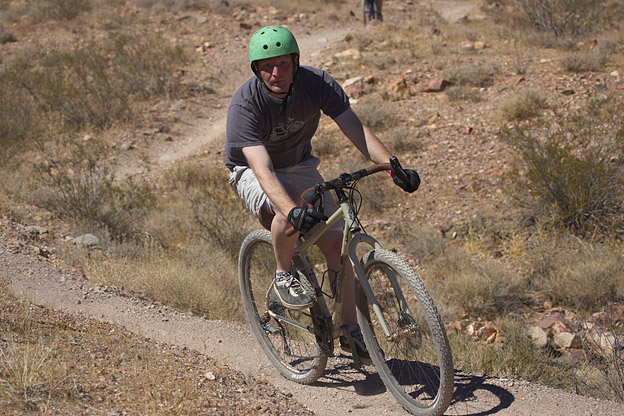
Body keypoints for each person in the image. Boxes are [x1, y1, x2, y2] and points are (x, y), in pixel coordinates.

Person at [225, 25, 419, 363]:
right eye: (267, 66)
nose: (276, 73)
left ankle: (349, 330)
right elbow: (262, 169)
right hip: (251, 170)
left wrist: (392, 166)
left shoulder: (317, 84)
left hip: (299, 164)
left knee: (335, 243)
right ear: (256, 69)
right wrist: (291, 209)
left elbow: (355, 129)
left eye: (283, 64)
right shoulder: (245, 105)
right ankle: (284, 272)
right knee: (290, 216)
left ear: (296, 62)